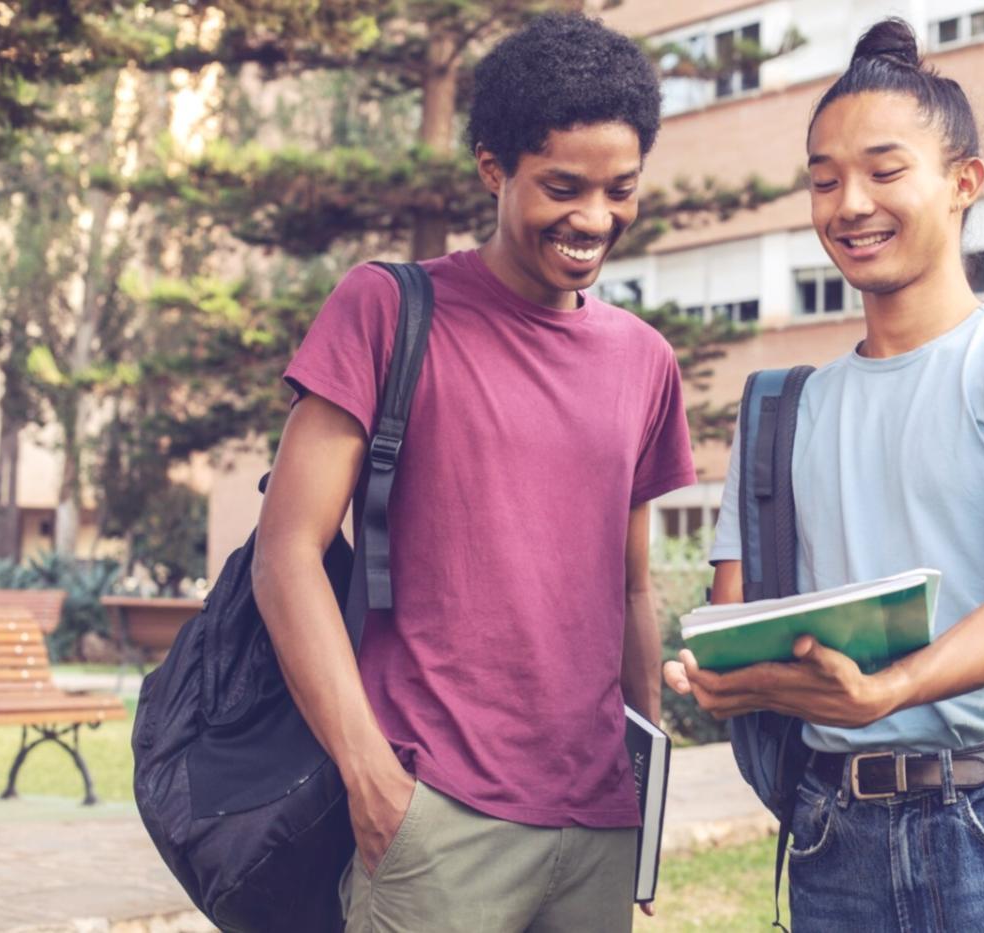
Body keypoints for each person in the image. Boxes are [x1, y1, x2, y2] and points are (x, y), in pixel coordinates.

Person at [665, 18, 984, 933]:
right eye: (823, 180)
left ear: (963, 182)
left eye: (883, 171)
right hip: (835, 834)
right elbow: (739, 621)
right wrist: (728, 674)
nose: (849, 204)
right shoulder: (779, 412)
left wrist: (887, 688)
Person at [252, 13, 694, 932]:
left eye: (620, 189)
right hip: (436, 816)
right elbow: (285, 553)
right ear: (493, 168)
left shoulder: (645, 360)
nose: (594, 219)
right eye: (562, 187)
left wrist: (642, 799)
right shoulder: (386, 308)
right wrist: (370, 777)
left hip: (597, 824)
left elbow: (628, 587)